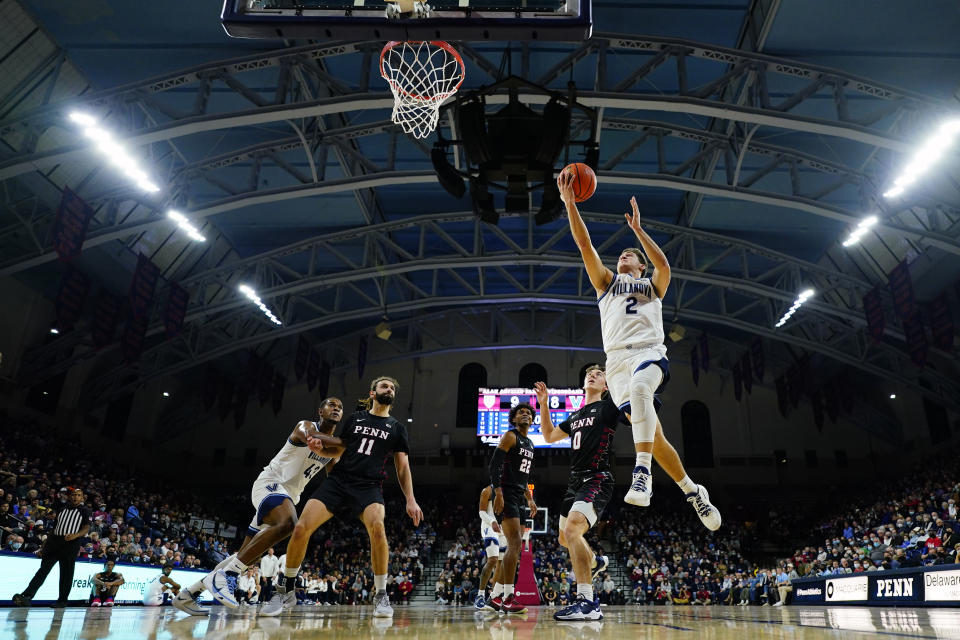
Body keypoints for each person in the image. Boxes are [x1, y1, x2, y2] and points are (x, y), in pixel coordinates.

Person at [558, 171, 720, 529]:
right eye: (622, 255)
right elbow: (586, 246)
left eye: (630, 255)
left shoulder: (652, 284)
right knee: (655, 436)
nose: (624, 257)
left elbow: (663, 265)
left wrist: (638, 232)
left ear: (640, 265)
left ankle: (641, 473)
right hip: (615, 363)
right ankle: (692, 491)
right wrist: (571, 205)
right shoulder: (605, 282)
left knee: (641, 390)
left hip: (648, 352)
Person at [263, 376, 423, 618]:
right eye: (384, 386)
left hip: (369, 486)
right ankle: (286, 589)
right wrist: (322, 450)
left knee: (378, 528)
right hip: (339, 480)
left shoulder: (397, 428)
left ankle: (380, 595)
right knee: (300, 528)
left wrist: (410, 499)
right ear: (372, 393)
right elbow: (339, 448)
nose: (389, 389)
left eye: (392, 387)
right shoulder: (355, 419)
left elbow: (402, 467)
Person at [174, 397, 345, 614]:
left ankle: (189, 594)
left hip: (288, 498)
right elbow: (312, 436)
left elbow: (335, 479)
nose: (336, 409)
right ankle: (227, 577)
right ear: (321, 410)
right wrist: (348, 441)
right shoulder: (306, 426)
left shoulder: (332, 451)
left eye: (340, 408)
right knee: (289, 523)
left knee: (248, 555)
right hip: (270, 485)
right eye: (332, 405)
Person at [536, 369, 615, 621]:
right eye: (590, 373)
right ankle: (595, 560)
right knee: (564, 539)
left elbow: (630, 412)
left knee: (572, 532)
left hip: (596, 477)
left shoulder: (608, 408)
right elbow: (548, 435)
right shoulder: (576, 414)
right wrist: (544, 405)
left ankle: (588, 602)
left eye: (599, 373)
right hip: (574, 482)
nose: (592, 375)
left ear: (605, 385)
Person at [487, 402, 538, 614]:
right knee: (514, 543)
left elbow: (523, 477)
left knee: (515, 545)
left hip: (518, 495)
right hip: (505, 493)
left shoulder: (530, 443)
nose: (525, 415)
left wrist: (530, 498)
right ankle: (508, 596)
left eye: (528, 413)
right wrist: (497, 492)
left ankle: (495, 596)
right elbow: (494, 465)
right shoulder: (510, 436)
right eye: (521, 413)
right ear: (514, 419)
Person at [13, 488, 91, 608]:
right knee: (43, 570)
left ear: (82, 498)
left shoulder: (85, 510)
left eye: (79, 495)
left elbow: (86, 527)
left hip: (70, 543)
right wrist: (44, 547)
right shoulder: (62, 509)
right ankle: (27, 596)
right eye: (74, 494)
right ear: (70, 496)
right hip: (54, 543)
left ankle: (62, 600)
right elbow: (54, 529)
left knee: (66, 574)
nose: (76, 497)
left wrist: (76, 535)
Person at [474, 484, 506, 610]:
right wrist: (492, 521)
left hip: (503, 526)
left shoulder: (509, 489)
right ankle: (480, 595)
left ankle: (494, 596)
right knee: (492, 559)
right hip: (489, 525)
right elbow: (481, 512)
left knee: (502, 562)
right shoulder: (487, 490)